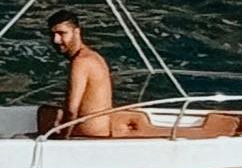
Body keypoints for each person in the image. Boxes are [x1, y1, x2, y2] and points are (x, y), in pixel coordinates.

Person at [45, 9, 158, 139]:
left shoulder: (80, 62)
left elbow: (71, 110)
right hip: (101, 129)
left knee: (44, 119)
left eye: (62, 33)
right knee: (46, 113)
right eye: (52, 34)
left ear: (77, 32)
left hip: (89, 134)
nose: (56, 40)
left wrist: (62, 138)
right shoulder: (94, 56)